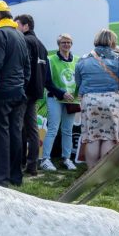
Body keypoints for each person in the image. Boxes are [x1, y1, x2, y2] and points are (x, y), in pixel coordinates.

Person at [0, 0, 30, 187]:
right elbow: (27, 68)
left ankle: (0, 178)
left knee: (0, 135)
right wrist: (21, 85)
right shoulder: (19, 36)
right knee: (15, 134)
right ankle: (15, 176)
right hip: (18, 92)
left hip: (1, 93)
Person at [74, 28, 119, 169]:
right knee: (109, 137)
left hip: (90, 102)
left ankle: (91, 173)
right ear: (113, 42)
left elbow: (78, 81)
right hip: (112, 102)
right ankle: (101, 174)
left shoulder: (83, 59)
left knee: (92, 138)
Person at [41, 34, 79, 171]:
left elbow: (80, 80)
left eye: (69, 42)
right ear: (59, 44)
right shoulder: (50, 60)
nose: (66, 45)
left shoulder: (77, 60)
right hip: (55, 98)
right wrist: (61, 93)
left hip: (71, 100)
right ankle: (45, 159)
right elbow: (47, 83)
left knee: (68, 130)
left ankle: (66, 158)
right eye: (63, 42)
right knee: (53, 129)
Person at [16, 14, 48, 176]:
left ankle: (19, 163)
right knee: (32, 130)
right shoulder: (41, 45)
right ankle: (32, 166)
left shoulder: (25, 41)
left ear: (26, 26)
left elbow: (24, 66)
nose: (16, 29)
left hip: (24, 90)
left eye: (17, 25)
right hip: (35, 92)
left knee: (19, 128)